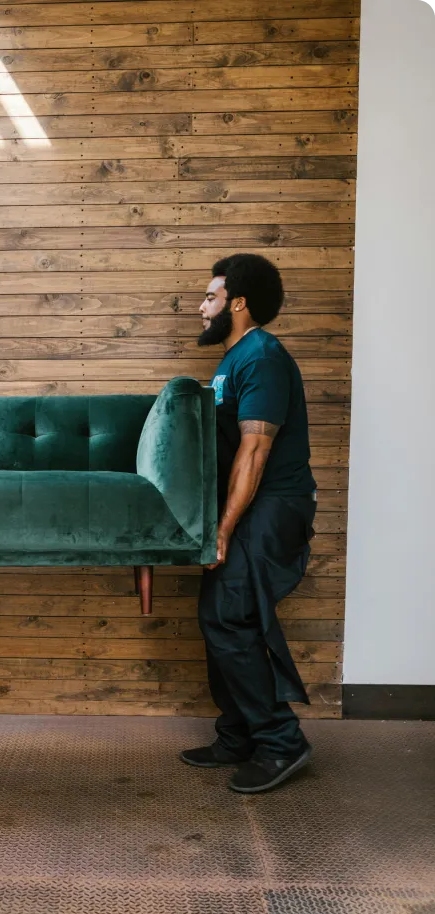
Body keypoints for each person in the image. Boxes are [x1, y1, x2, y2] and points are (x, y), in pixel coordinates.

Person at [180, 253, 318, 794]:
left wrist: (223, 528)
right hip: (247, 505)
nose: (201, 307)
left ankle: (281, 741)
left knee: (229, 616)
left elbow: (255, 451)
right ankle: (237, 735)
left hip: (273, 504)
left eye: (210, 297)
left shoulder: (261, 357)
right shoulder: (233, 359)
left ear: (237, 303)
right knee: (220, 616)